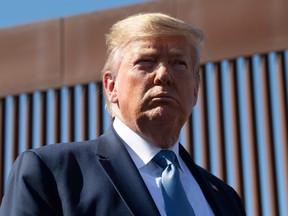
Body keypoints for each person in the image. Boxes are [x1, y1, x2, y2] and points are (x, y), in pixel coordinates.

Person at [0, 13, 245, 216]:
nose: (163, 75)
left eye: (178, 63)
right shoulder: (52, 173)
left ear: (195, 90)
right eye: (146, 61)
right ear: (111, 86)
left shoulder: (225, 199)